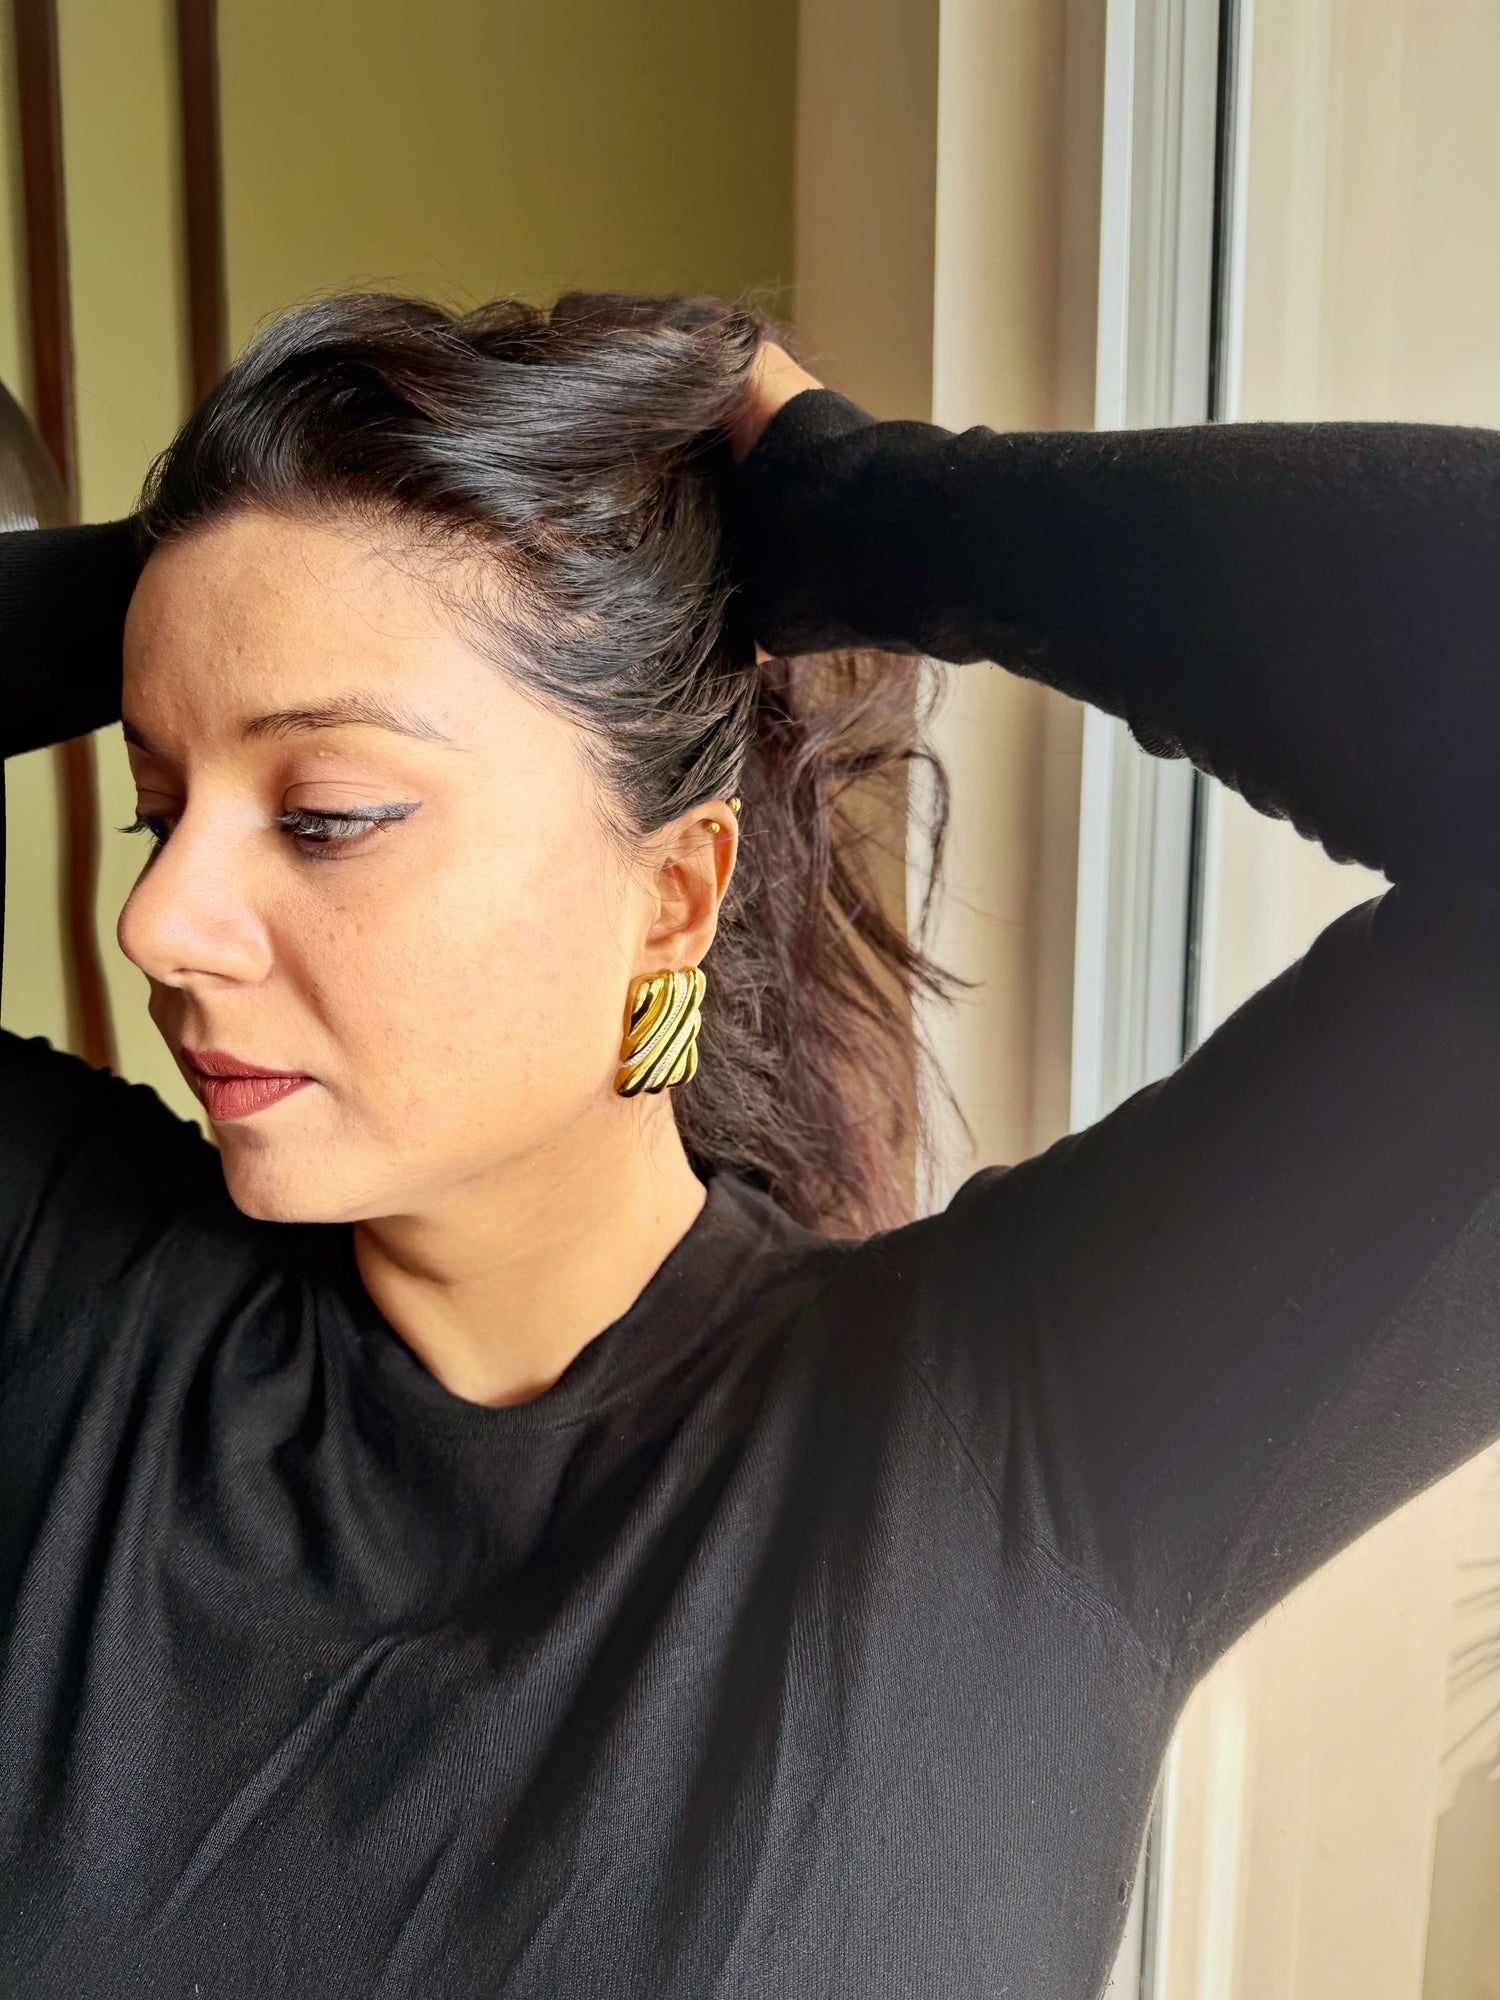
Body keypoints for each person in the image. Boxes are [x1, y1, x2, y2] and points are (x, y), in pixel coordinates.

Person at [1, 286, 1498, 2000]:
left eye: (326, 815)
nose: (159, 923)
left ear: (673, 893)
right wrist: (197, 581)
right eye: (160, 810)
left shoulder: (1022, 1449)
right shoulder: (67, 1310)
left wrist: (877, 510)